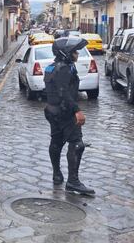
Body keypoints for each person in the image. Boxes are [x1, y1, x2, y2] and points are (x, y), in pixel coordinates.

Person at [44, 37, 95, 195]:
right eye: (74, 51)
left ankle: (57, 174)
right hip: (65, 112)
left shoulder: (52, 67)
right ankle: (73, 181)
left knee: (56, 142)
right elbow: (63, 92)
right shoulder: (64, 69)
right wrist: (77, 110)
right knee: (77, 143)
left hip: (52, 111)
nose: (77, 53)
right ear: (65, 53)